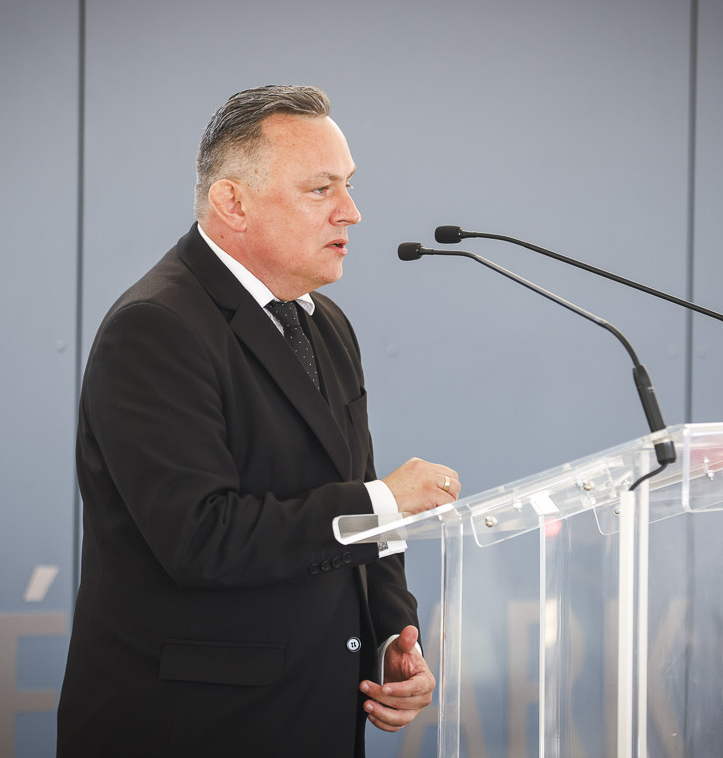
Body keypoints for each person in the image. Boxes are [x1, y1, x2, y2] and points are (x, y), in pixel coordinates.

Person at [56, 85, 461, 757]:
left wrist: (393, 636)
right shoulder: (155, 328)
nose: (351, 211)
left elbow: (356, 496)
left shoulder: (325, 323)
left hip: (317, 717)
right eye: (320, 189)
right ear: (232, 203)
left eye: (349, 185)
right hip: (191, 729)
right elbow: (201, 536)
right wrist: (383, 502)